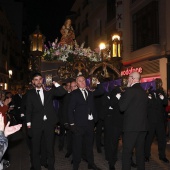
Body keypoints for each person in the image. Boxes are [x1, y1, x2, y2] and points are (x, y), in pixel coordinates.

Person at [26, 72, 66, 170]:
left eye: (40, 79)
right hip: (36, 124)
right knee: (36, 149)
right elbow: (28, 111)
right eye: (36, 79)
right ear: (33, 82)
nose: (38, 81)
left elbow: (62, 92)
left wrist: (54, 83)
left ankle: (51, 167)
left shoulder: (49, 90)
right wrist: (29, 126)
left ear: (43, 80)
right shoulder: (30, 94)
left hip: (49, 123)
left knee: (50, 148)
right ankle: (37, 167)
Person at [68, 75, 104, 170]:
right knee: (77, 147)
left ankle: (91, 163)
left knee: (89, 145)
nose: (82, 82)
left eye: (83, 80)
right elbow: (70, 110)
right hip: (79, 125)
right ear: (77, 83)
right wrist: (72, 124)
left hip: (90, 124)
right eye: (80, 81)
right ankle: (76, 166)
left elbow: (101, 91)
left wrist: (97, 81)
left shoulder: (90, 92)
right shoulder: (74, 94)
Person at [119, 72, 148, 170]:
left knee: (127, 153)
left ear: (132, 78)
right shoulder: (144, 92)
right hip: (142, 127)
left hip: (131, 127)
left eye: (128, 78)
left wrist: (121, 97)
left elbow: (122, 108)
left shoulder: (130, 91)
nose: (127, 80)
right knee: (140, 153)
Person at [144, 78, 169, 163]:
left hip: (160, 121)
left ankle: (162, 156)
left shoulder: (161, 92)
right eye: (157, 83)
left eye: (160, 83)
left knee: (162, 139)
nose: (159, 85)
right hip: (150, 120)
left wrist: (162, 98)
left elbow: (165, 102)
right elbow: (147, 105)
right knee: (149, 139)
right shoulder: (148, 92)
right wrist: (149, 98)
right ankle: (146, 155)